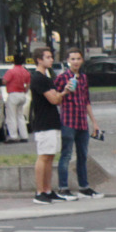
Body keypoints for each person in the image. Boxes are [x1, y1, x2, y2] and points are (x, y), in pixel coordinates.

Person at [53, 48, 102, 200]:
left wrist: (94, 122)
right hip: (68, 120)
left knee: (83, 155)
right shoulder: (62, 78)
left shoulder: (83, 78)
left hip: (81, 122)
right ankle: (63, 187)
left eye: (78, 59)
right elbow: (55, 98)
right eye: (72, 59)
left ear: (82, 60)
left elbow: (86, 101)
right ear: (68, 61)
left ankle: (84, 187)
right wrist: (64, 91)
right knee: (66, 155)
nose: (75, 62)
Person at [28, 47, 73, 205]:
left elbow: (57, 98)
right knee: (43, 156)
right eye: (47, 57)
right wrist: (62, 93)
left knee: (50, 156)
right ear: (39, 59)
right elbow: (54, 100)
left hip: (52, 121)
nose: (51, 59)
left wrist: (62, 93)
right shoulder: (38, 78)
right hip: (43, 122)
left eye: (51, 57)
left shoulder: (47, 77)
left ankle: (48, 189)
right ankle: (40, 191)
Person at [2, 54, 31, 142]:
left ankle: (13, 136)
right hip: (22, 94)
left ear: (14, 61)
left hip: (13, 94)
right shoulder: (26, 72)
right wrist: (25, 90)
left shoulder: (11, 71)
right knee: (20, 115)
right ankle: (24, 136)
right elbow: (28, 85)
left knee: (11, 116)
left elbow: (4, 81)